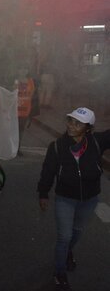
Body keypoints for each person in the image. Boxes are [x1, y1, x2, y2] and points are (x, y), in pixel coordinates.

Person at [37, 107, 110, 291]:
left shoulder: (96, 142)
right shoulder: (57, 146)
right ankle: (59, 273)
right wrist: (43, 193)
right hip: (65, 199)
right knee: (65, 236)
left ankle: (68, 252)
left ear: (88, 128)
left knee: (76, 232)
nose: (71, 125)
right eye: (70, 120)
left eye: (78, 123)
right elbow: (48, 171)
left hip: (89, 199)